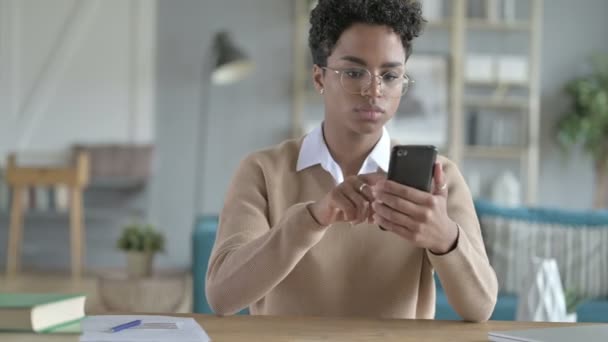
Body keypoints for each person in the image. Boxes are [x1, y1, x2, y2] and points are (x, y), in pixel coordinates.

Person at [205, 0, 497, 321]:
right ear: (319, 78)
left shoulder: (440, 178)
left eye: (390, 75)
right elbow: (222, 296)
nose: (374, 91)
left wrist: (445, 239)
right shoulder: (262, 171)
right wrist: (314, 218)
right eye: (355, 72)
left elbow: (481, 308)